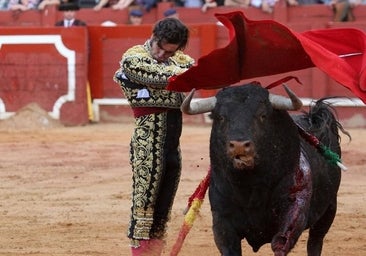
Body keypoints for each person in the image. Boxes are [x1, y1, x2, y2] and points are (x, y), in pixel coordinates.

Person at [113, 18, 194, 255]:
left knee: (164, 200)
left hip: (173, 142)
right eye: (159, 47)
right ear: (154, 35)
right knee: (145, 197)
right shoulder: (133, 57)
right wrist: (179, 77)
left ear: (178, 48)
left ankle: (155, 250)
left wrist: (175, 77)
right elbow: (159, 75)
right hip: (146, 142)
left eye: (169, 51)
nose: (160, 54)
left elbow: (190, 73)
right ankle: (140, 251)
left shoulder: (182, 59)